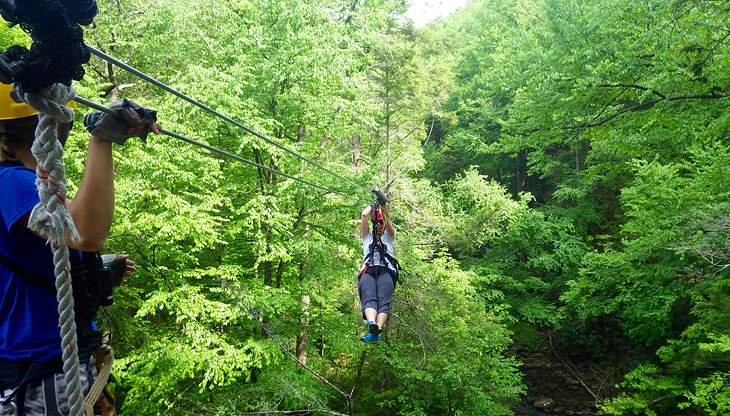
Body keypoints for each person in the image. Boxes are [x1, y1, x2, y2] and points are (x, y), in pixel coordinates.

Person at [0, 81, 158, 415]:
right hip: (42, 366)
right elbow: (84, 231)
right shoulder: (10, 181)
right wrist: (102, 139)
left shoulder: (31, 184)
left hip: (53, 363)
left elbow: (51, 252)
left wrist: (92, 272)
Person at [358, 202, 399, 343]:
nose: (379, 225)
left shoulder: (389, 236)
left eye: (381, 222)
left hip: (386, 270)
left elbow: (387, 219)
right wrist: (372, 205)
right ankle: (372, 325)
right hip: (368, 270)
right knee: (369, 297)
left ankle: (378, 329)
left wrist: (383, 205)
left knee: (383, 300)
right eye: (377, 222)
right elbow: (364, 215)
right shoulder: (367, 237)